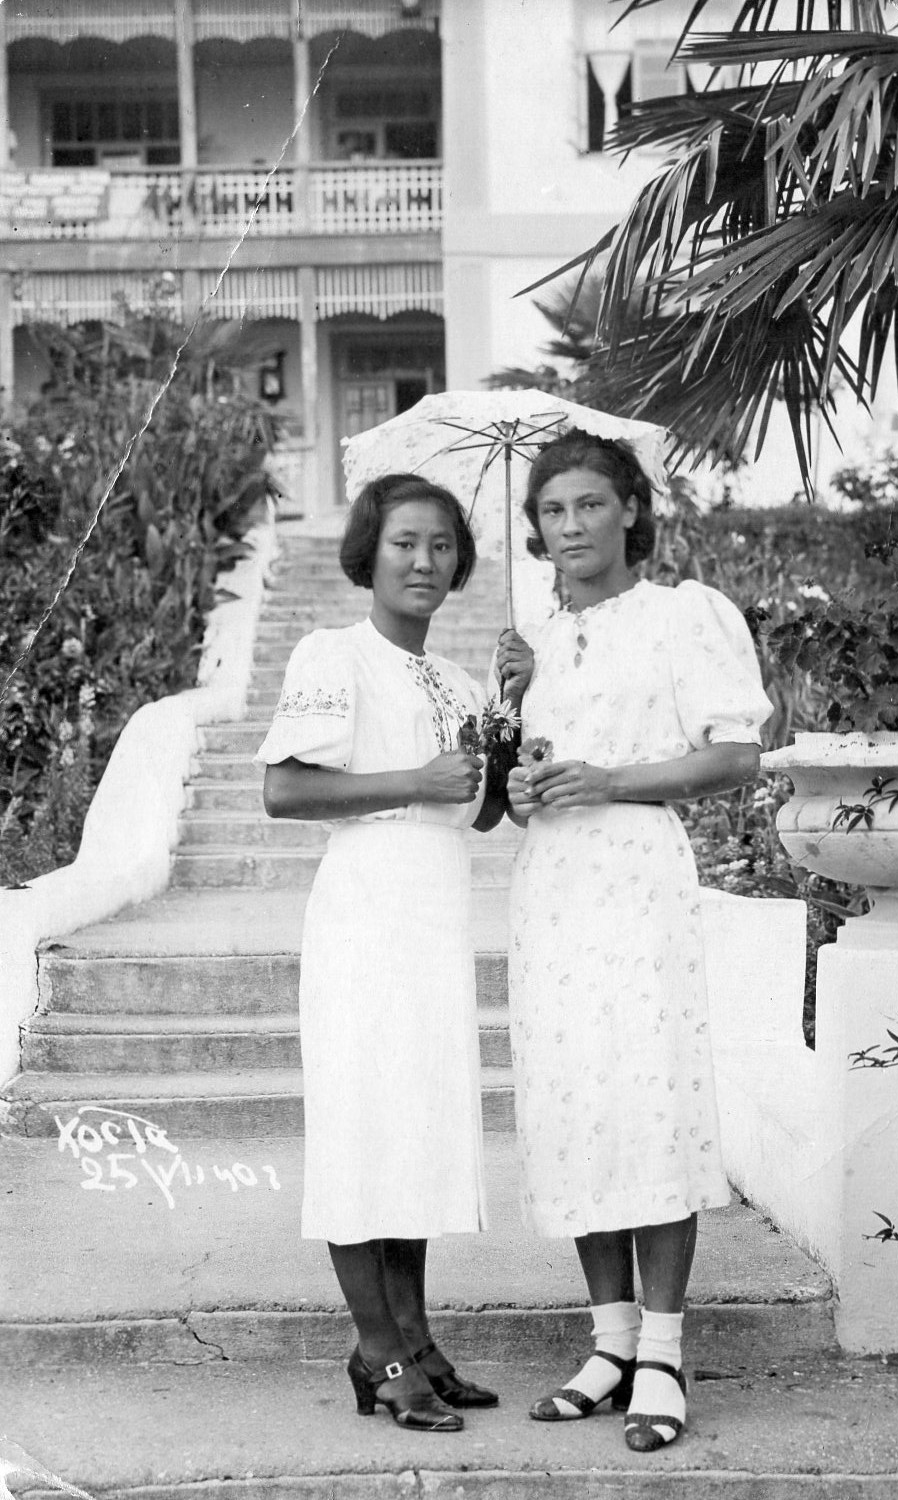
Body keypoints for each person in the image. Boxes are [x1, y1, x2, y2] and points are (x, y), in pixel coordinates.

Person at [495, 430, 772, 1452]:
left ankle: (662, 1352)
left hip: (637, 883)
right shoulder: (534, 641)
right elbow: (518, 796)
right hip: (551, 890)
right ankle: (609, 1345)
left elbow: (735, 756)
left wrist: (609, 779)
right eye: (551, 511)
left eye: (587, 505)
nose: (569, 526)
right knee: (576, 1105)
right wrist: (522, 769)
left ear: (630, 511)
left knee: (648, 1102)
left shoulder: (681, 616)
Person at [257, 474, 511, 1433]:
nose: (424, 561)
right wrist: (414, 777)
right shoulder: (335, 654)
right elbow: (284, 791)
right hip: (364, 914)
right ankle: (380, 1351)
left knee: (416, 1133)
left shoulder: (459, 682)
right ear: (369, 552)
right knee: (365, 1134)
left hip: (435, 919)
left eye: (442, 545)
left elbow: (478, 813)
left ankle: (417, 1337)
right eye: (405, 542)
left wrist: (509, 715)